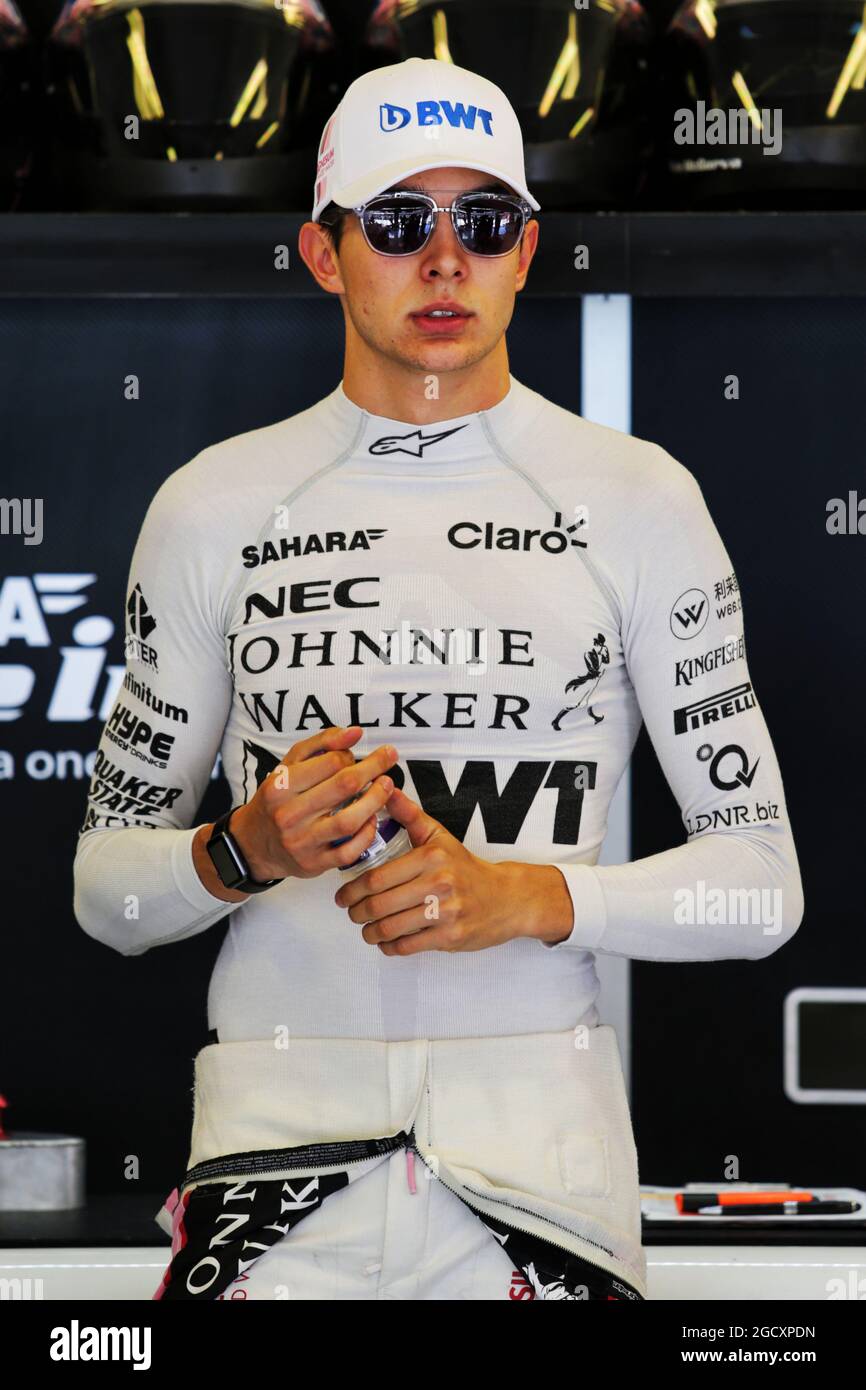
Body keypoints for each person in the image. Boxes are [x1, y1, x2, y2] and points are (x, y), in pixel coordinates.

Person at [73, 56, 804, 1302]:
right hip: (274, 1182)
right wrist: (241, 849)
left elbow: (761, 888)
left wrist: (524, 897)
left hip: (541, 1185)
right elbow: (105, 892)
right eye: (401, 222)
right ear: (322, 253)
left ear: (528, 250)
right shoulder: (213, 505)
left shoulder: (636, 498)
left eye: (485, 222)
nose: (445, 260)